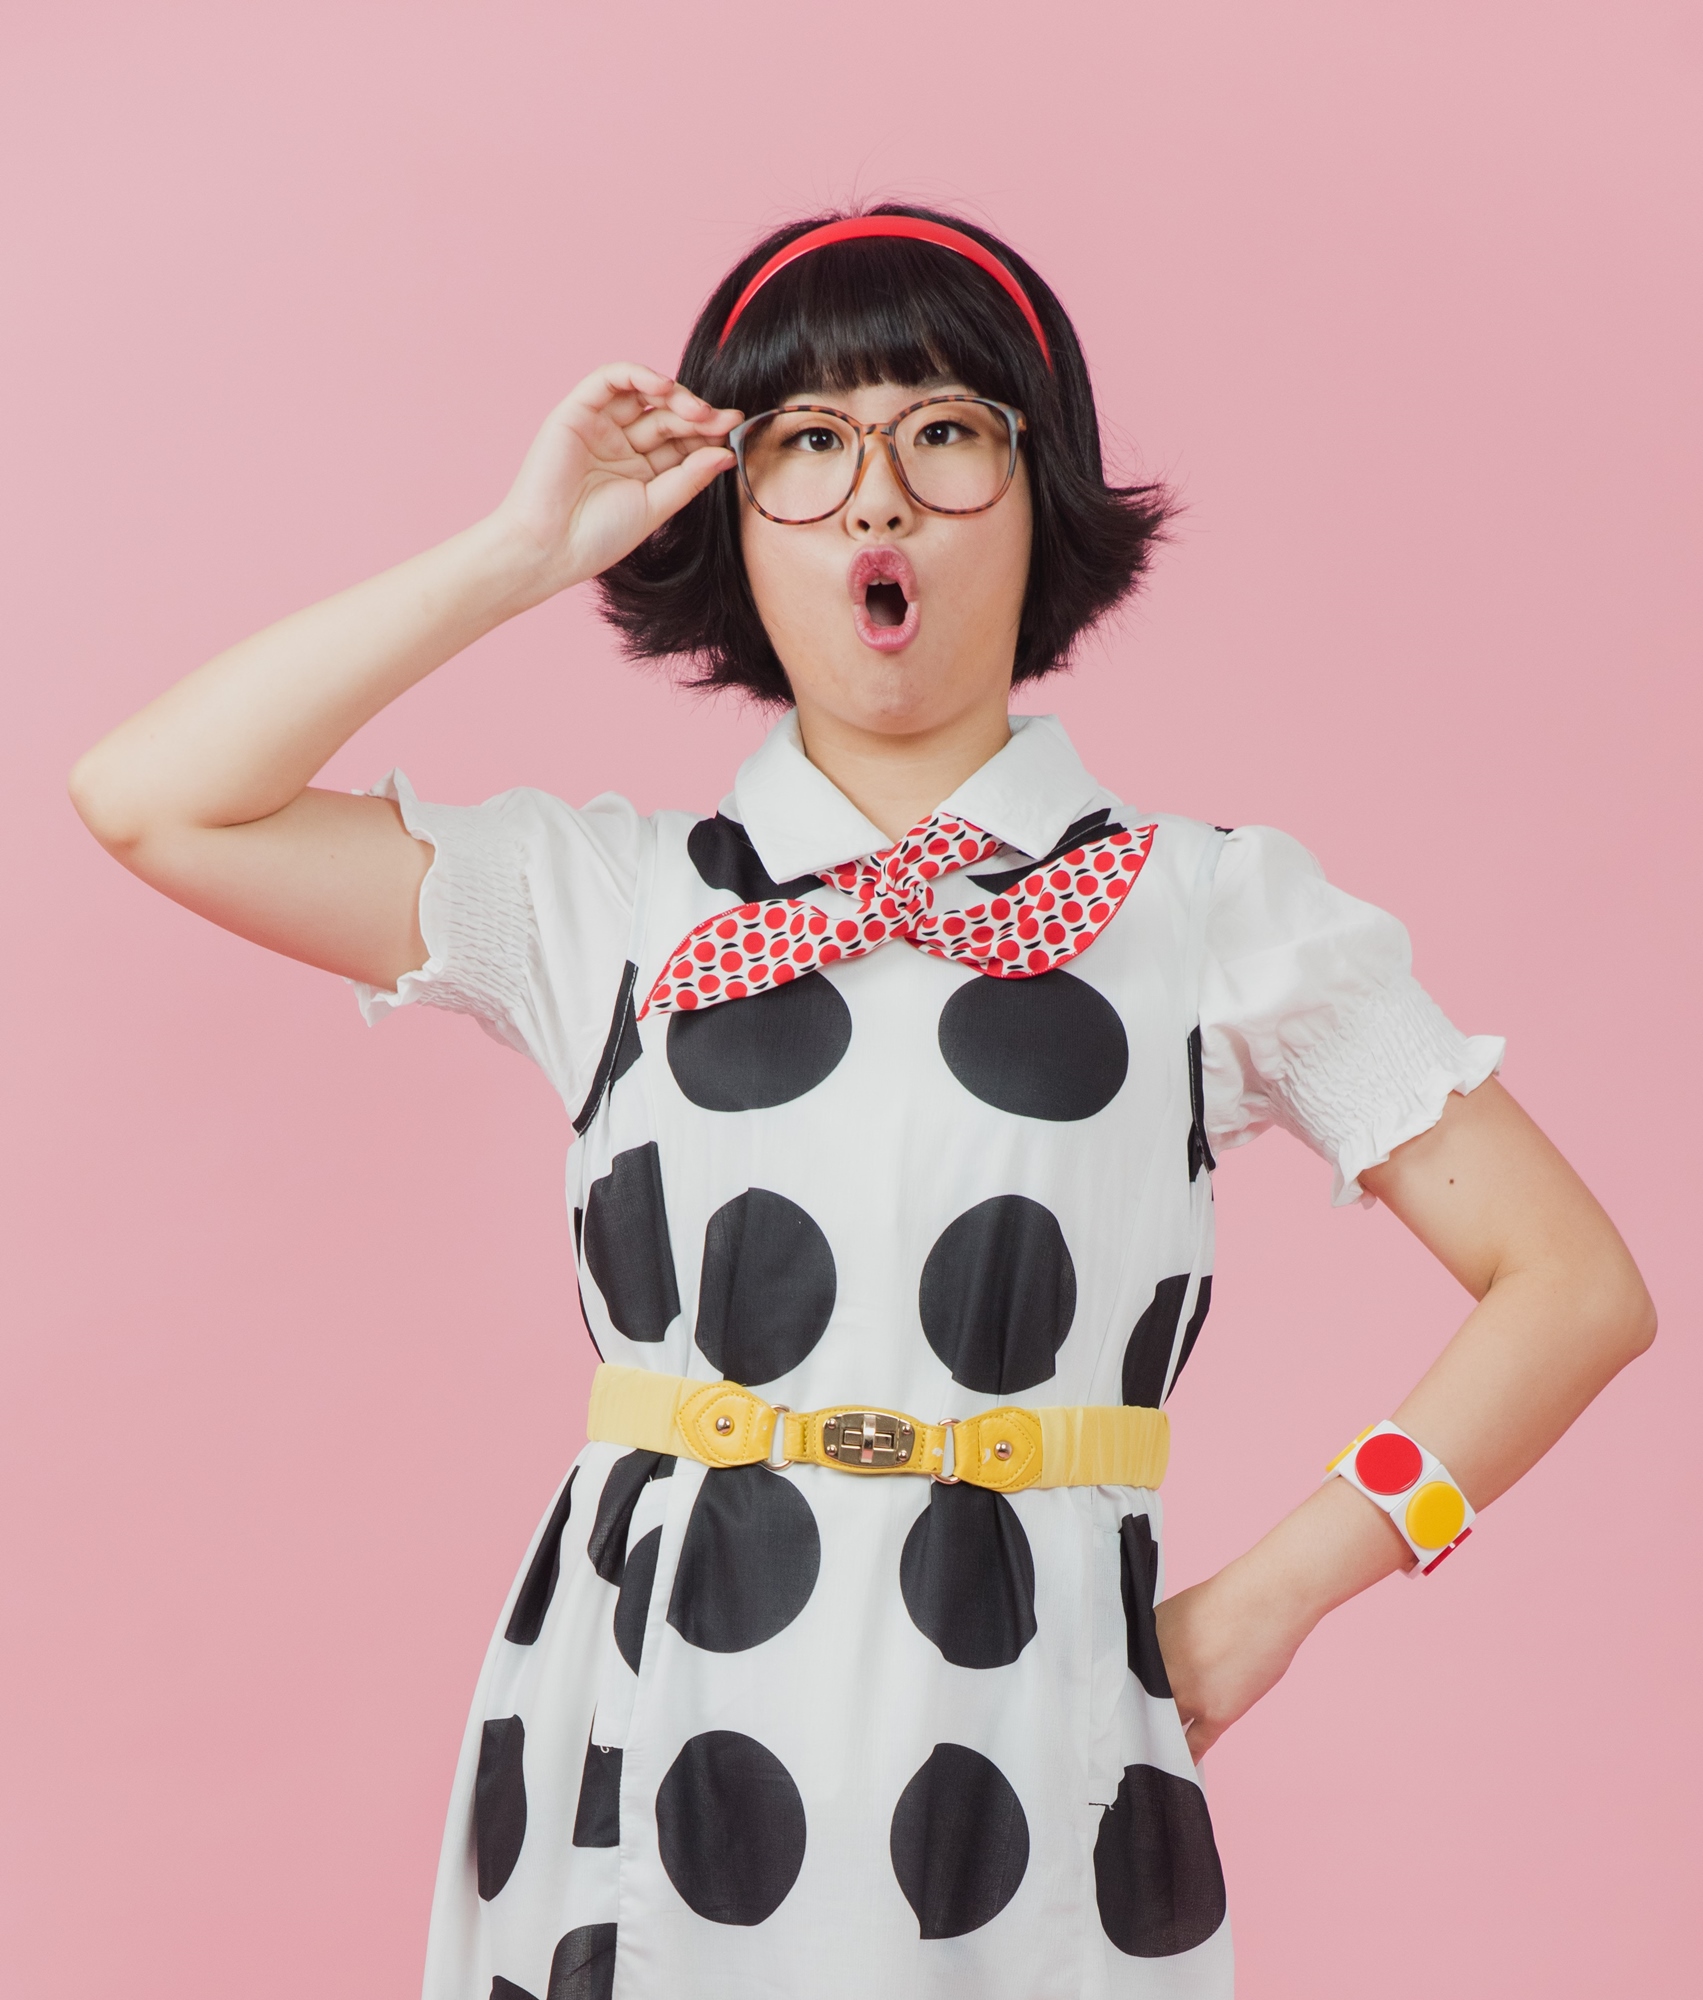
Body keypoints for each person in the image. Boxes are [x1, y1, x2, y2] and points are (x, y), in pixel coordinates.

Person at [69, 205, 1655, 2000]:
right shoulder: (608, 902)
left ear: (1042, 489)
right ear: (729, 516)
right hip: (641, 1709)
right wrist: (523, 555)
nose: (876, 499)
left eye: (945, 432)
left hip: (1032, 1715)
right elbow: (154, 799)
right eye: (807, 445)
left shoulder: (1211, 909)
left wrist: (1268, 1604)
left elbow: (1575, 1289)